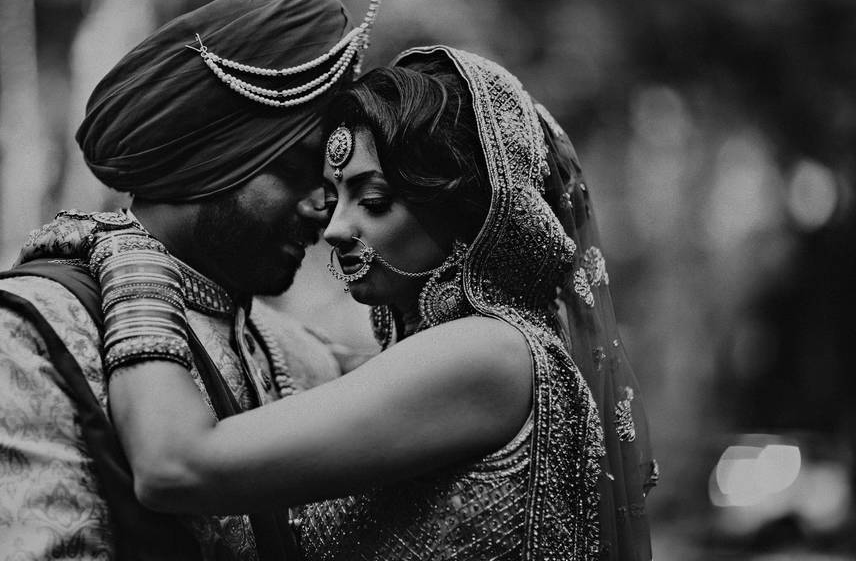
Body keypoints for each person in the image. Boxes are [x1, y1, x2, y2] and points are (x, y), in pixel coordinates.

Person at [57, 45, 657, 559]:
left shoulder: (490, 352)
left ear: (469, 215)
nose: (334, 227)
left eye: (371, 201)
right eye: (334, 195)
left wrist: (133, 257)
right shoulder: (472, 356)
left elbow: (174, 466)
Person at [0, 0, 383, 561]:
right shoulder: (26, 333)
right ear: (211, 158)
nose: (326, 205)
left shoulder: (291, 348)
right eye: (298, 168)